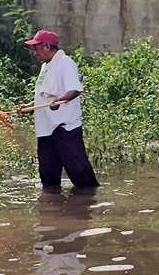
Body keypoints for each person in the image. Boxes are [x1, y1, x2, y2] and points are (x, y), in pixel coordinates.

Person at [16, 29, 99, 189]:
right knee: (48, 177)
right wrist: (29, 106)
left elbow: (75, 90)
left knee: (80, 174)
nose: (35, 53)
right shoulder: (45, 67)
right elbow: (44, 96)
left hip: (64, 129)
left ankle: (90, 204)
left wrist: (59, 101)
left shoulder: (65, 63)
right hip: (46, 130)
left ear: (47, 46)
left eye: (36, 48)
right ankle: (51, 209)